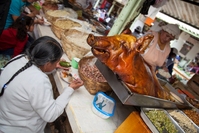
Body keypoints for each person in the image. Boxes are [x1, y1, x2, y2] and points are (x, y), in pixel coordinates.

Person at [0, 36, 84, 133]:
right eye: (57, 61)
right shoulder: (39, 81)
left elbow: (29, 73)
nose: (58, 63)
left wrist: (54, 66)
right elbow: (51, 115)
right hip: (20, 129)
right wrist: (70, 88)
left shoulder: (19, 58)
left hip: (6, 119)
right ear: (47, 63)